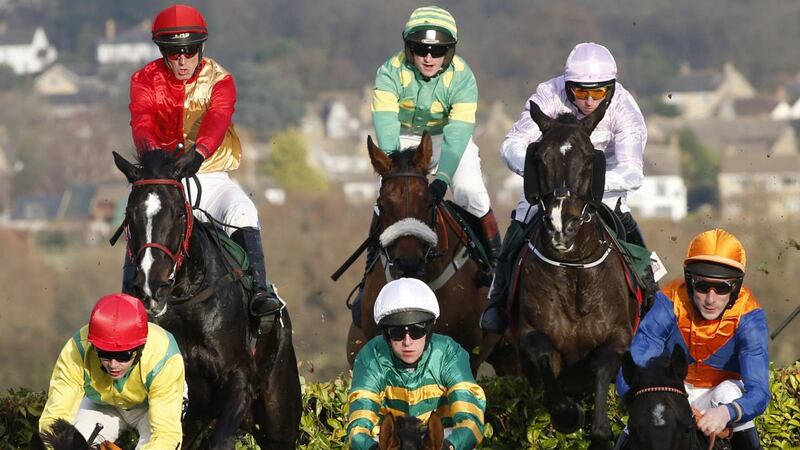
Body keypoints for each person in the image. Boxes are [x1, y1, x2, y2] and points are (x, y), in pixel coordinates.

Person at [124, 3, 283, 321]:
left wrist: (198, 153)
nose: (182, 59)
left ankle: (259, 293)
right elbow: (141, 123)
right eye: (173, 52)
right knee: (144, 223)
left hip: (211, 177)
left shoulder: (221, 79)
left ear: (201, 47)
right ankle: (130, 303)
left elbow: (218, 118)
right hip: (165, 180)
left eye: (190, 50)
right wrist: (158, 160)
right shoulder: (143, 80)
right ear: (162, 50)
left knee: (243, 210)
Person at [480, 42, 650, 334]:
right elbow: (511, 146)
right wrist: (542, 173)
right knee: (520, 225)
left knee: (630, 236)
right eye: (580, 92)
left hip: (602, 190)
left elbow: (632, 172)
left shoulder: (625, 108)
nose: (587, 101)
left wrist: (585, 186)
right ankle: (496, 300)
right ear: (567, 86)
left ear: (610, 88)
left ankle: (650, 298)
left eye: (597, 92)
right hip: (551, 187)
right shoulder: (549, 94)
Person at [615, 228, 769, 450]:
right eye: (702, 286)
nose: (710, 299)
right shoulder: (668, 301)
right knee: (648, 407)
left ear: (734, 288)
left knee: (727, 392)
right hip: (674, 392)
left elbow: (759, 392)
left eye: (722, 288)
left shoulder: (750, 316)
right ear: (689, 281)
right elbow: (631, 372)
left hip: (720, 398)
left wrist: (726, 412)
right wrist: (654, 398)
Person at [346, 278, 486, 450]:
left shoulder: (449, 353)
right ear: (385, 334)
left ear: (428, 330)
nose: (407, 341)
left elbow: (471, 420)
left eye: (417, 330)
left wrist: (449, 446)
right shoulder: (371, 356)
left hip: (443, 438)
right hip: (387, 442)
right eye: (397, 332)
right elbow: (358, 427)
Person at [39, 293, 186, 449]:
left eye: (123, 356)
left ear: (139, 349)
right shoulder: (77, 349)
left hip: (150, 406)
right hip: (104, 404)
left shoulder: (163, 356)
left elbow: (166, 434)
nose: (113, 365)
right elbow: (55, 418)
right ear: (94, 346)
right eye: (105, 354)